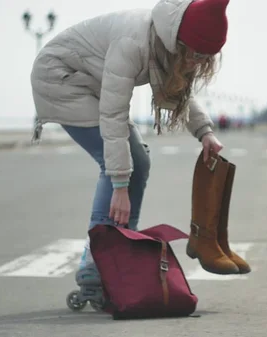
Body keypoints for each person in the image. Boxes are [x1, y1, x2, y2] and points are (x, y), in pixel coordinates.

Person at [29, 0, 229, 295]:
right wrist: (120, 185)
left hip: (90, 82)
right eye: (196, 54)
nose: (198, 62)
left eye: (206, 57)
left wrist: (205, 132)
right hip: (61, 79)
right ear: (182, 40)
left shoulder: (168, 40)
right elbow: (113, 115)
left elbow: (179, 90)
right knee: (114, 164)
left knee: (140, 161)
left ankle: (121, 246)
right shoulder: (133, 43)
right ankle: (96, 262)